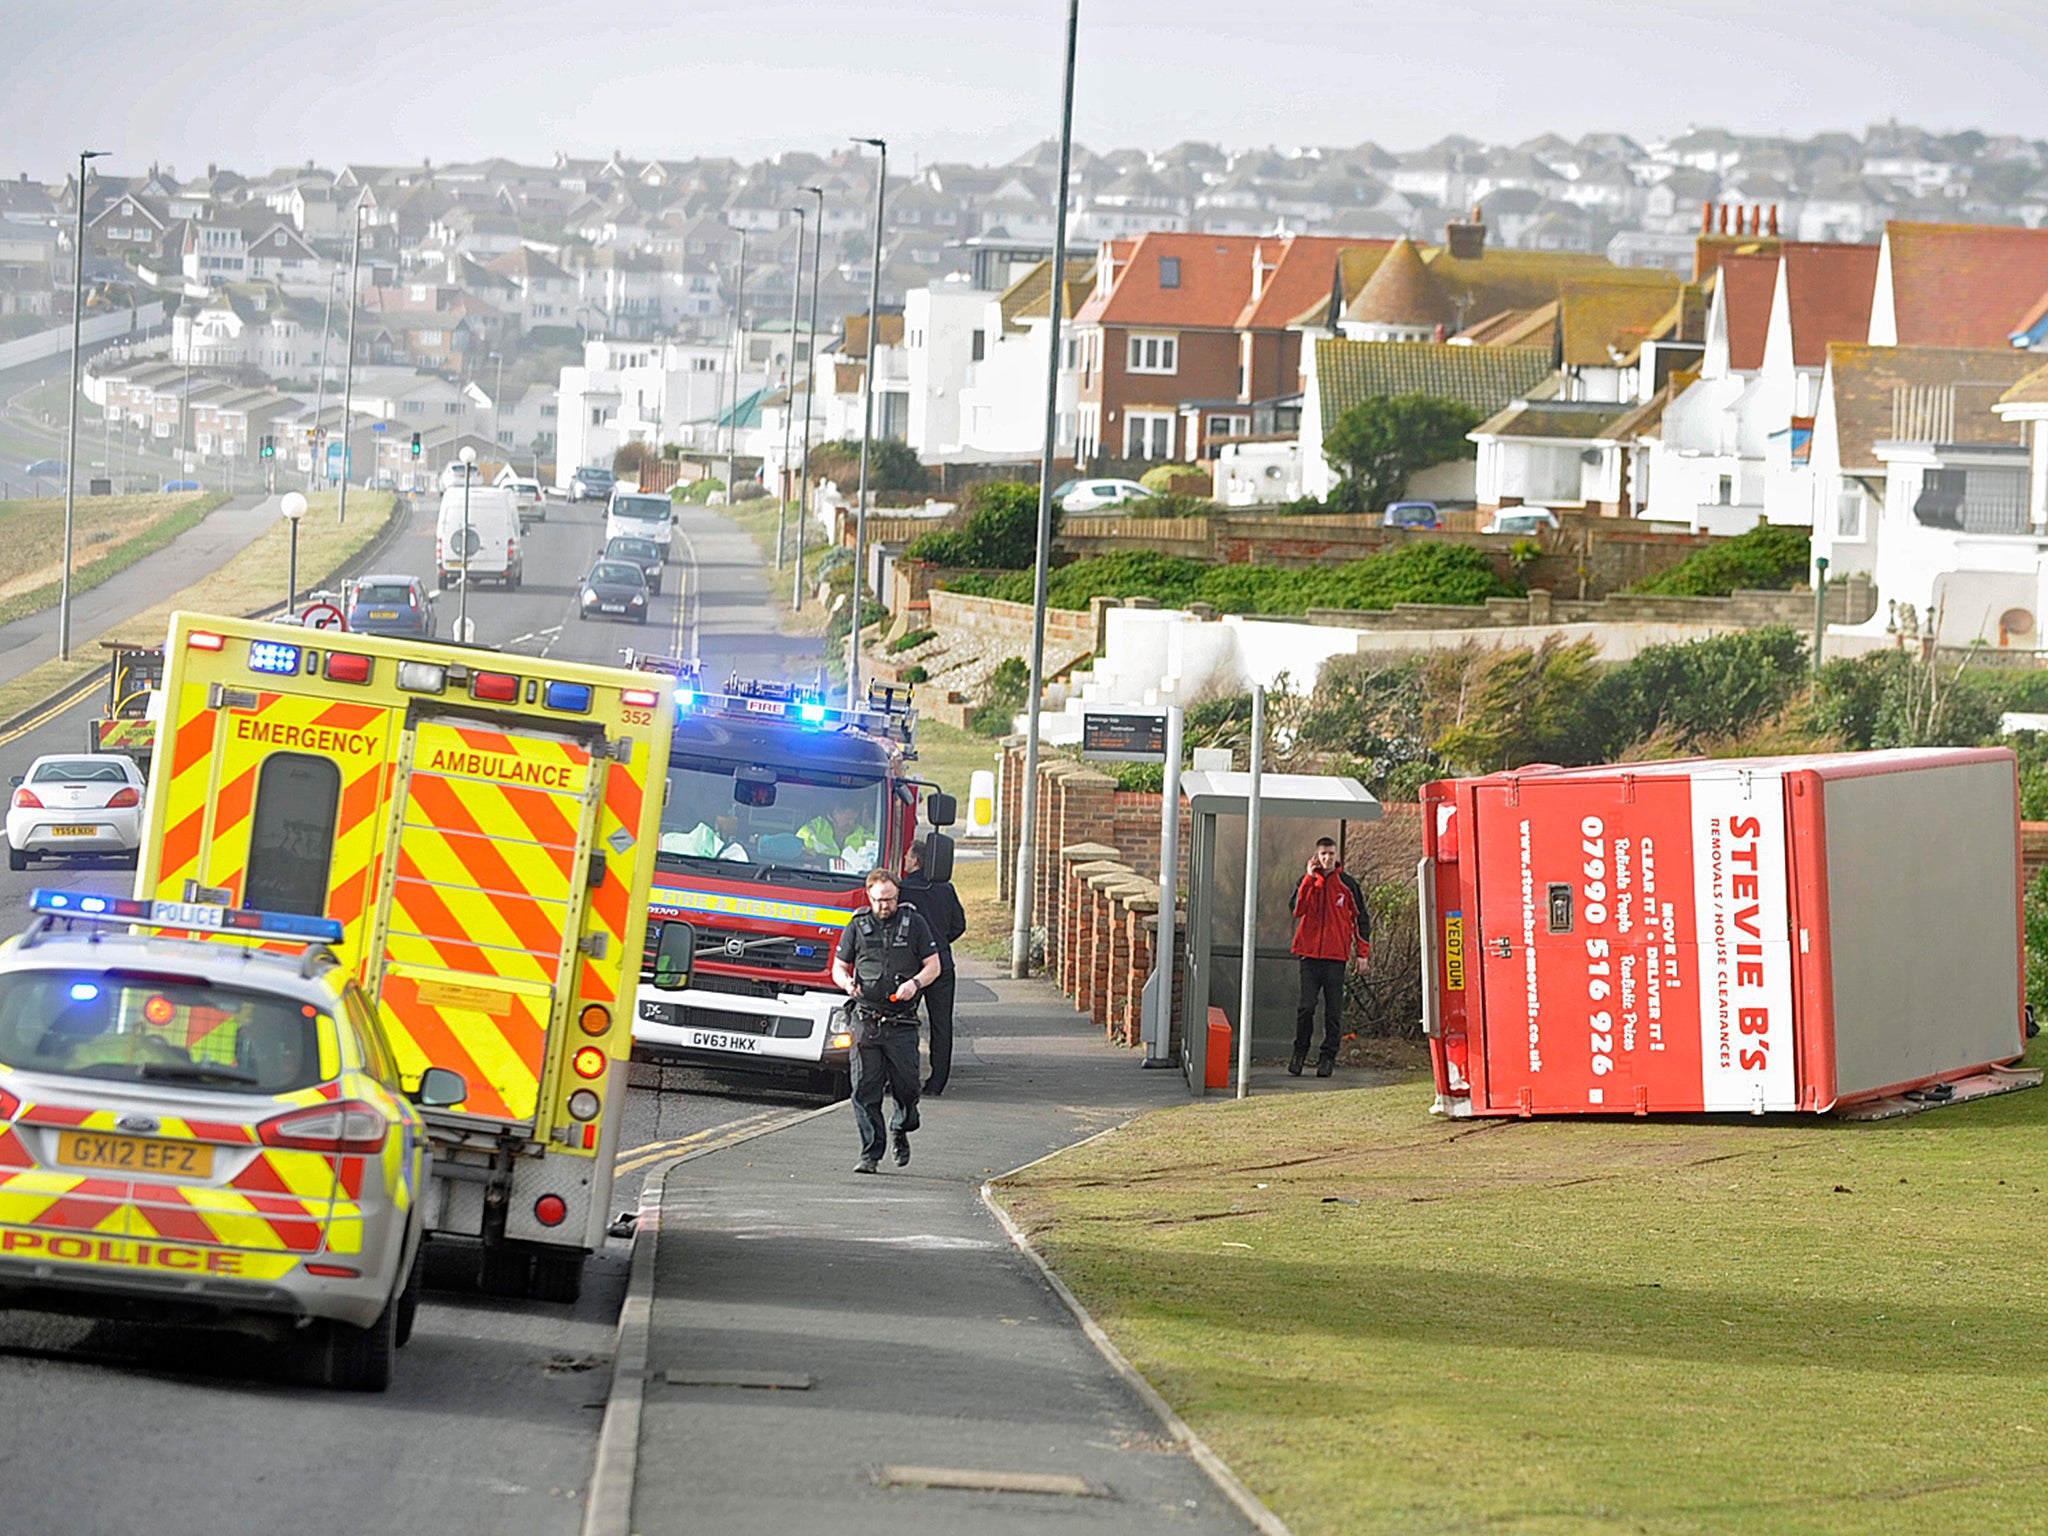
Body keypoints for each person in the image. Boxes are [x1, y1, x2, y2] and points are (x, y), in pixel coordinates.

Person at [831, 869, 940, 1173]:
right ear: (869, 896)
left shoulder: (914, 923)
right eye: (879, 900)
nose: (884, 906)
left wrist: (915, 984)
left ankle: (901, 1126)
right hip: (866, 1020)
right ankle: (870, 1154)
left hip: (901, 1022)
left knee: (907, 1088)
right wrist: (847, 983)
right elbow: (838, 967)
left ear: (897, 896)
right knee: (865, 1088)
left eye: (890, 899)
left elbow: (934, 966)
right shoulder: (857, 925)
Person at [1289, 835, 1371, 1077]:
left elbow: (1361, 920)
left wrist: (1362, 954)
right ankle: (1299, 1053)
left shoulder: (1348, 884)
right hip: (1309, 956)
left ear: (1337, 856)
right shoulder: (1307, 882)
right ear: (1317, 856)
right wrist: (1308, 878)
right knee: (1306, 1008)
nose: (1327, 858)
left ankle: (1328, 1058)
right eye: (1323, 854)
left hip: (1336, 957)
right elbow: (1296, 909)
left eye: (1331, 854)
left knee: (1333, 1012)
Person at [900, 840, 966, 1095]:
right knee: (941, 1024)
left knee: (903, 1020)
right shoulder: (945, 889)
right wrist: (938, 942)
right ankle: (937, 1081)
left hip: (911, 967)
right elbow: (959, 925)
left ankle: (904, 1074)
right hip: (942, 963)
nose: (905, 860)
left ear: (915, 861)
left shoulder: (904, 889)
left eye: (907, 856)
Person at [799, 803, 878, 871]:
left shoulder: (865, 837)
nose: (851, 823)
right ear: (835, 813)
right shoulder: (816, 828)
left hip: (851, 881)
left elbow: (873, 864)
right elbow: (796, 849)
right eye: (847, 819)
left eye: (854, 819)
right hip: (816, 876)